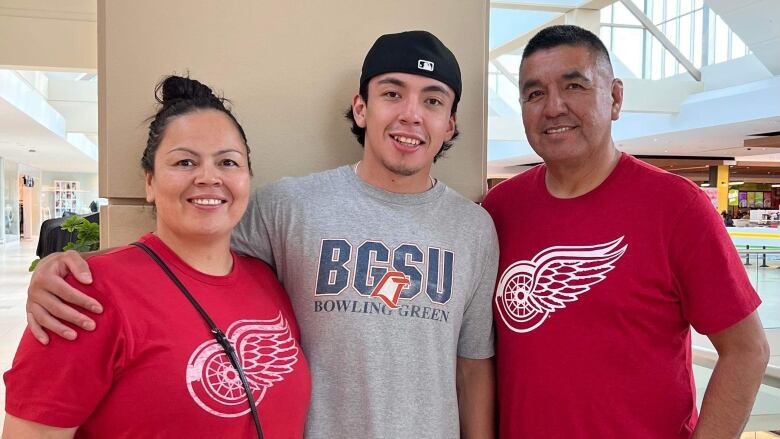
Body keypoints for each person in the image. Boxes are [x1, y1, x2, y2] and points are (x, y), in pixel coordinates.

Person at [22, 31, 498, 438]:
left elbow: (472, 364)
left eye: (433, 100)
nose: (411, 114)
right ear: (361, 107)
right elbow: (188, 249)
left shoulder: (474, 228)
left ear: (450, 121)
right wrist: (71, 269)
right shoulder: (288, 205)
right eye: (392, 93)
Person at [481, 25, 769, 438]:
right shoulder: (499, 210)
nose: (553, 107)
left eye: (574, 85)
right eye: (534, 93)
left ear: (614, 97)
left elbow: (747, 350)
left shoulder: (676, 208)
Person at [3, 76, 311, 438]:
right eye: (184, 162)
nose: (209, 177)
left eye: (228, 162)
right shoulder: (83, 295)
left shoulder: (268, 281)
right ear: (149, 181)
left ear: (247, 178)